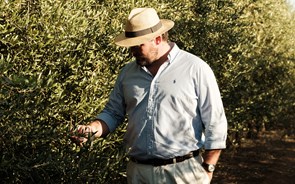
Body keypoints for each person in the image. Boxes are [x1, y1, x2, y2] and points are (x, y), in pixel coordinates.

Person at [72, 7, 227, 184]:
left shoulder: (195, 69)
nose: (133, 51)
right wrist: (91, 130)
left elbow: (216, 122)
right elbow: (113, 113)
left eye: (139, 45)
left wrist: (208, 168)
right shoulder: (127, 73)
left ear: (158, 39)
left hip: (183, 172)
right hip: (138, 172)